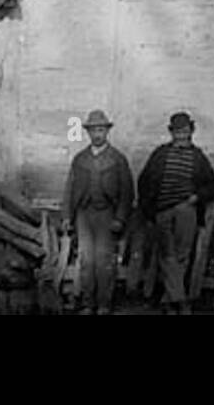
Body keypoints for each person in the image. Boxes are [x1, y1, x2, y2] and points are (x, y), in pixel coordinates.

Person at [137, 111, 214, 314]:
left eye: (184, 131)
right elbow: (144, 181)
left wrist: (196, 197)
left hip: (186, 210)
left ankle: (169, 300)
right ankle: (180, 300)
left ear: (191, 131)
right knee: (167, 254)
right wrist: (150, 210)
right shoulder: (160, 154)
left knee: (182, 255)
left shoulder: (198, 157)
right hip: (163, 211)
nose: (181, 135)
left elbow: (213, 186)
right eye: (177, 131)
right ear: (171, 132)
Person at [62, 109, 134, 314]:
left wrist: (120, 218)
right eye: (93, 130)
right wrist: (67, 216)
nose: (97, 134)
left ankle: (103, 303)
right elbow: (69, 189)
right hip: (84, 215)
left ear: (107, 132)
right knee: (86, 261)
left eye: (101, 130)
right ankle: (88, 303)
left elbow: (127, 193)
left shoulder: (118, 159)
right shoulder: (80, 159)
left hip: (107, 214)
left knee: (103, 261)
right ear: (88, 133)